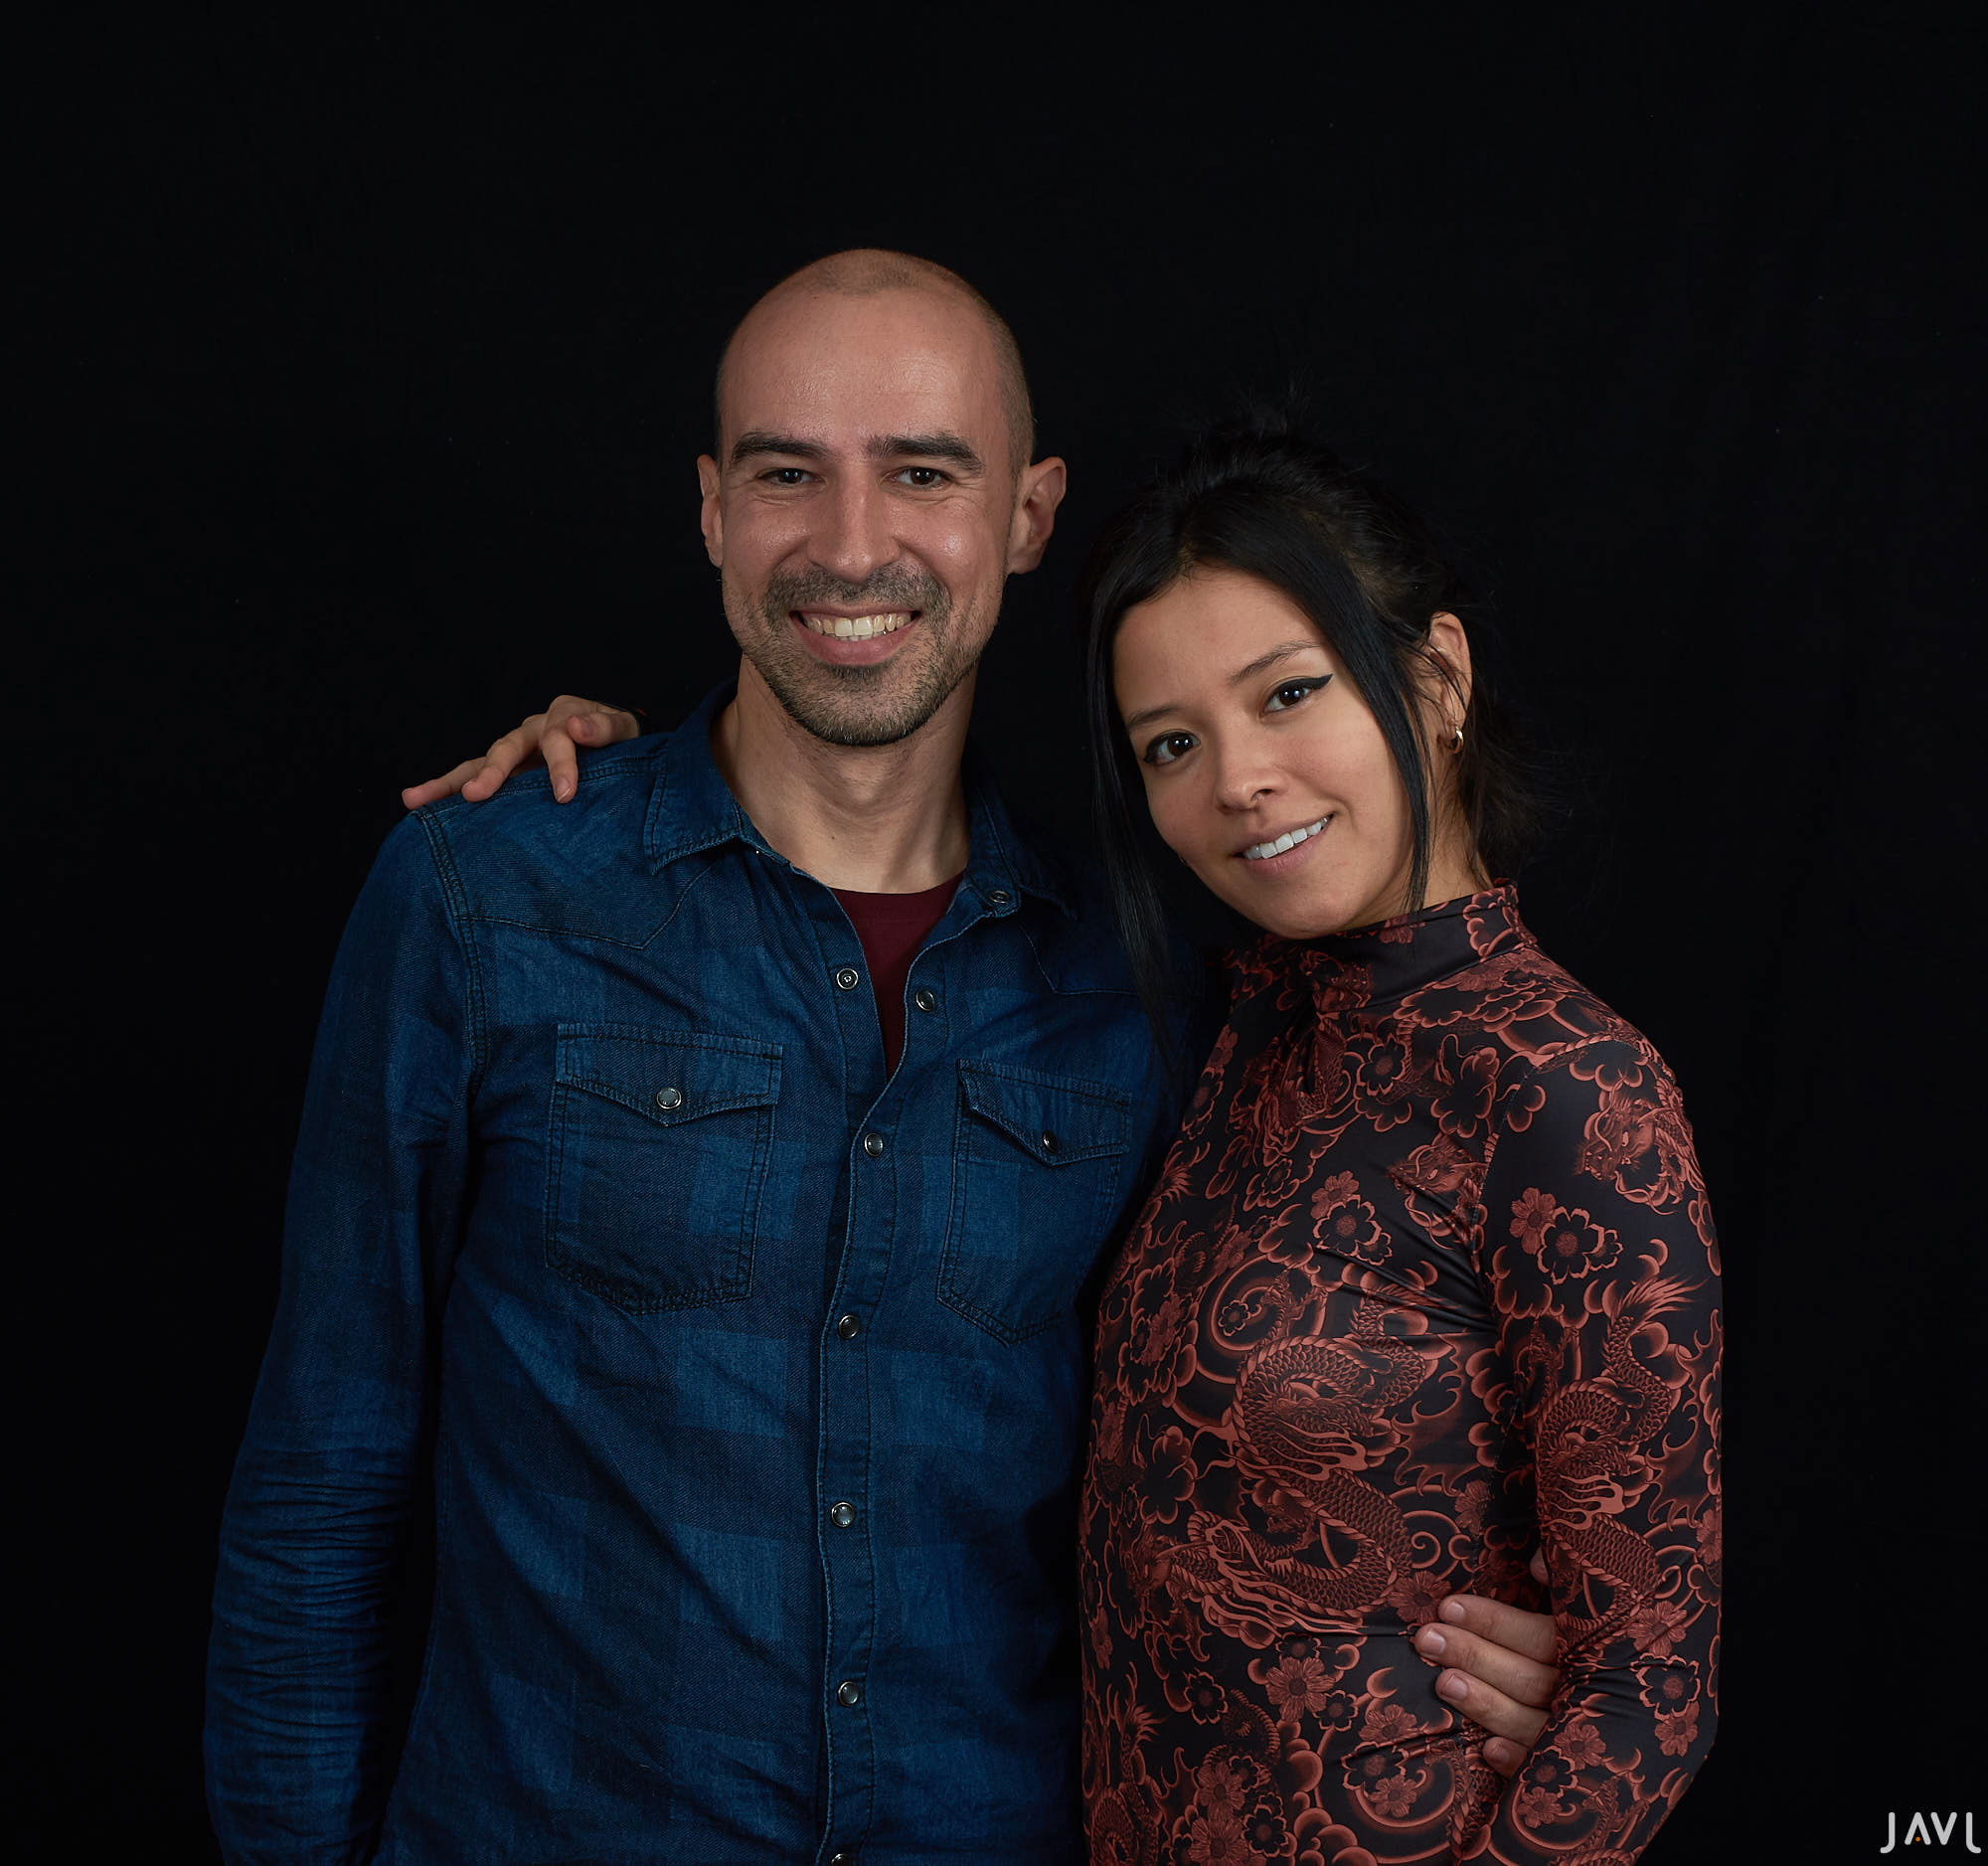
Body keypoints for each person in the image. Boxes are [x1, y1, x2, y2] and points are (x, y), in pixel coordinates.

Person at [210, 250, 1559, 1865]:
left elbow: (1250, 1453)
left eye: (923, 472)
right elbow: (320, 1480)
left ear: (1027, 514)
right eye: (789, 473)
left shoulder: (1145, 987)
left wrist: (1496, 1631)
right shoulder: (483, 898)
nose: (853, 545)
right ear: (713, 512)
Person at [1075, 424, 1721, 1862]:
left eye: (1289, 693)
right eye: (1171, 744)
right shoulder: (1234, 1035)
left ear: (1435, 679)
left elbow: (1648, 1694)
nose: (1236, 779)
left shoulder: (1563, 1085)